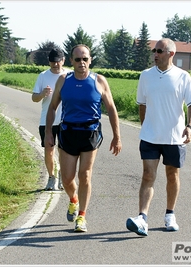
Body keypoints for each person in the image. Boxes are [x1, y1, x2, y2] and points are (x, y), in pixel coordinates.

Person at [45, 44, 122, 232]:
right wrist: (48, 132)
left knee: (85, 175)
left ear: (90, 60)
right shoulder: (64, 80)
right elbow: (53, 107)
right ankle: (73, 199)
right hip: (68, 132)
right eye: (77, 59)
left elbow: (111, 109)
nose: (82, 63)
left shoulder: (99, 81)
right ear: (71, 61)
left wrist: (117, 136)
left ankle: (82, 216)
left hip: (90, 132)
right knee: (67, 178)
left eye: (85, 59)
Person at [126, 38, 191, 236]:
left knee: (172, 175)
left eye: (159, 51)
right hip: (150, 137)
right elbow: (142, 105)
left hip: (175, 138)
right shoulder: (145, 76)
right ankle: (142, 218)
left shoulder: (183, 77)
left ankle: (169, 215)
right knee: (148, 175)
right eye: (154, 51)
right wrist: (146, 126)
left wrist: (190, 127)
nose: (155, 54)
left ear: (171, 54)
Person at [32, 47, 69, 191]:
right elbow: (34, 98)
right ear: (49, 62)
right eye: (52, 62)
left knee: (63, 151)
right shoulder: (43, 76)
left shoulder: (69, 75)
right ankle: (51, 177)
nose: (55, 65)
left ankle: (61, 177)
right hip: (46, 120)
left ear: (63, 61)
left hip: (65, 120)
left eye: (58, 62)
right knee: (49, 150)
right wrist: (42, 93)